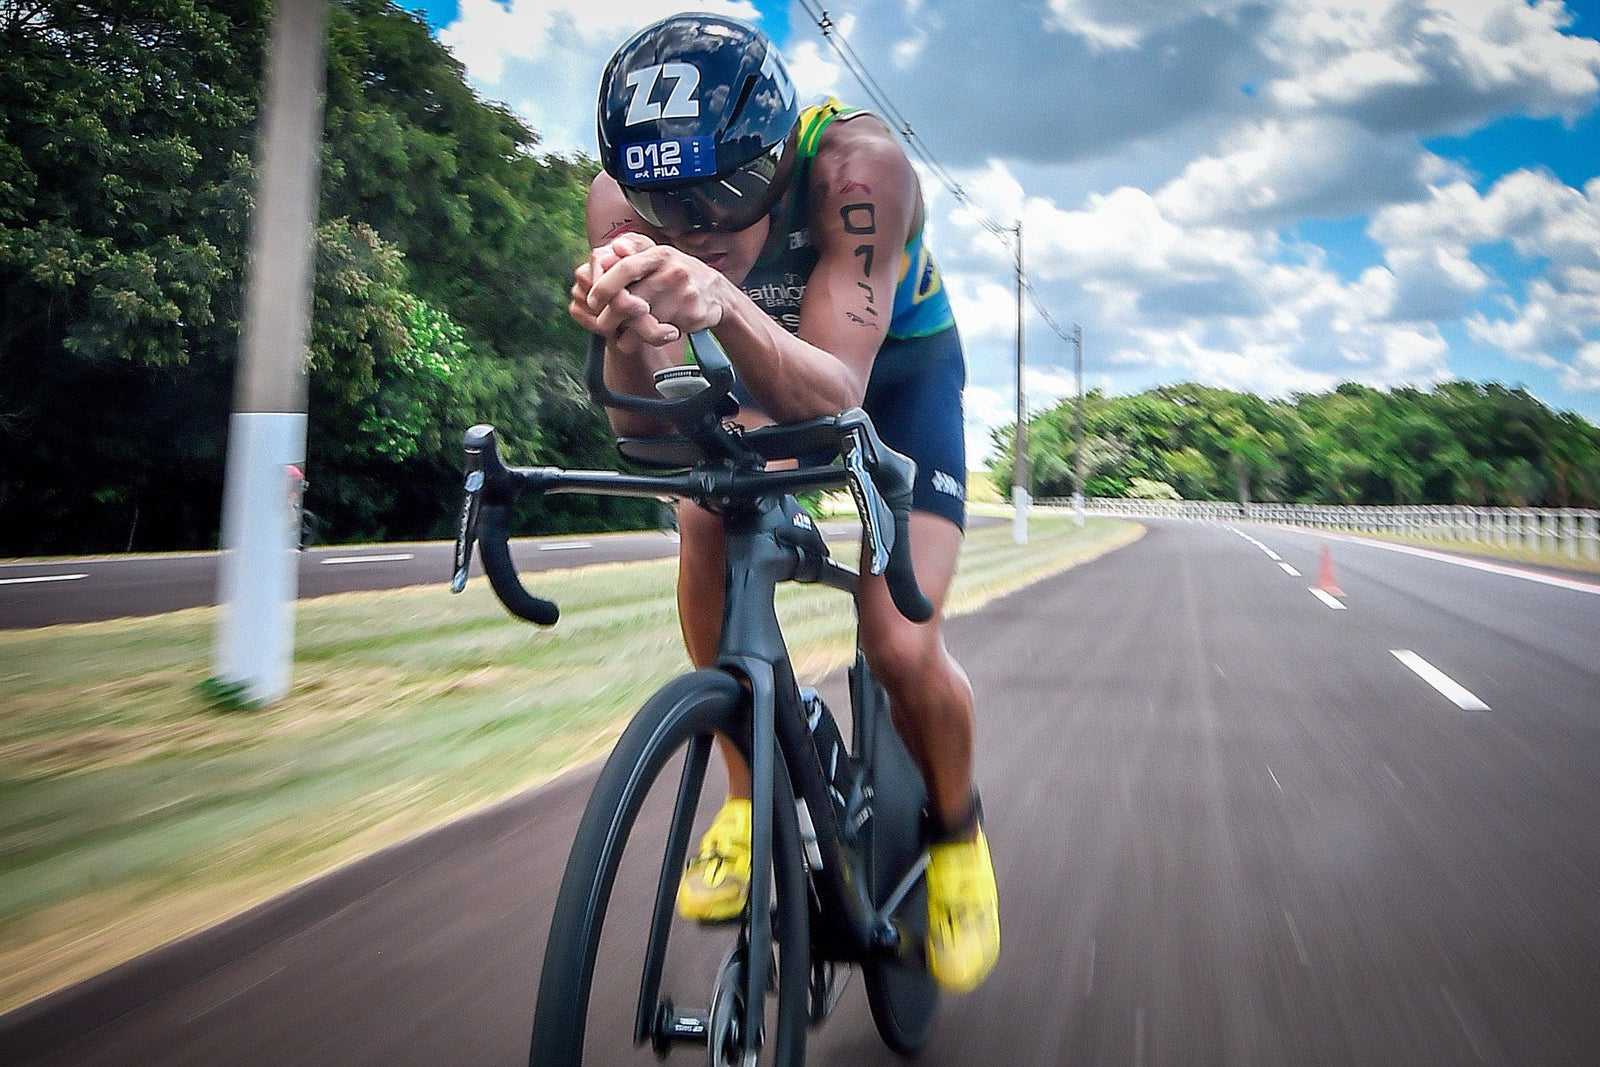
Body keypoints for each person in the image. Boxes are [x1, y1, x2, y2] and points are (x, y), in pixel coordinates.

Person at [568, 12, 998, 994]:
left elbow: (841, 394)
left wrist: (717, 306)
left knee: (897, 642)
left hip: (892, 374)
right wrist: (631, 332)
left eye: (728, 192)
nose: (698, 227)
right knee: (702, 509)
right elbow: (648, 435)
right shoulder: (617, 207)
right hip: (771, 361)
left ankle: (958, 832)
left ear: (778, 154)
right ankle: (742, 791)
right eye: (664, 204)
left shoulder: (859, 173)